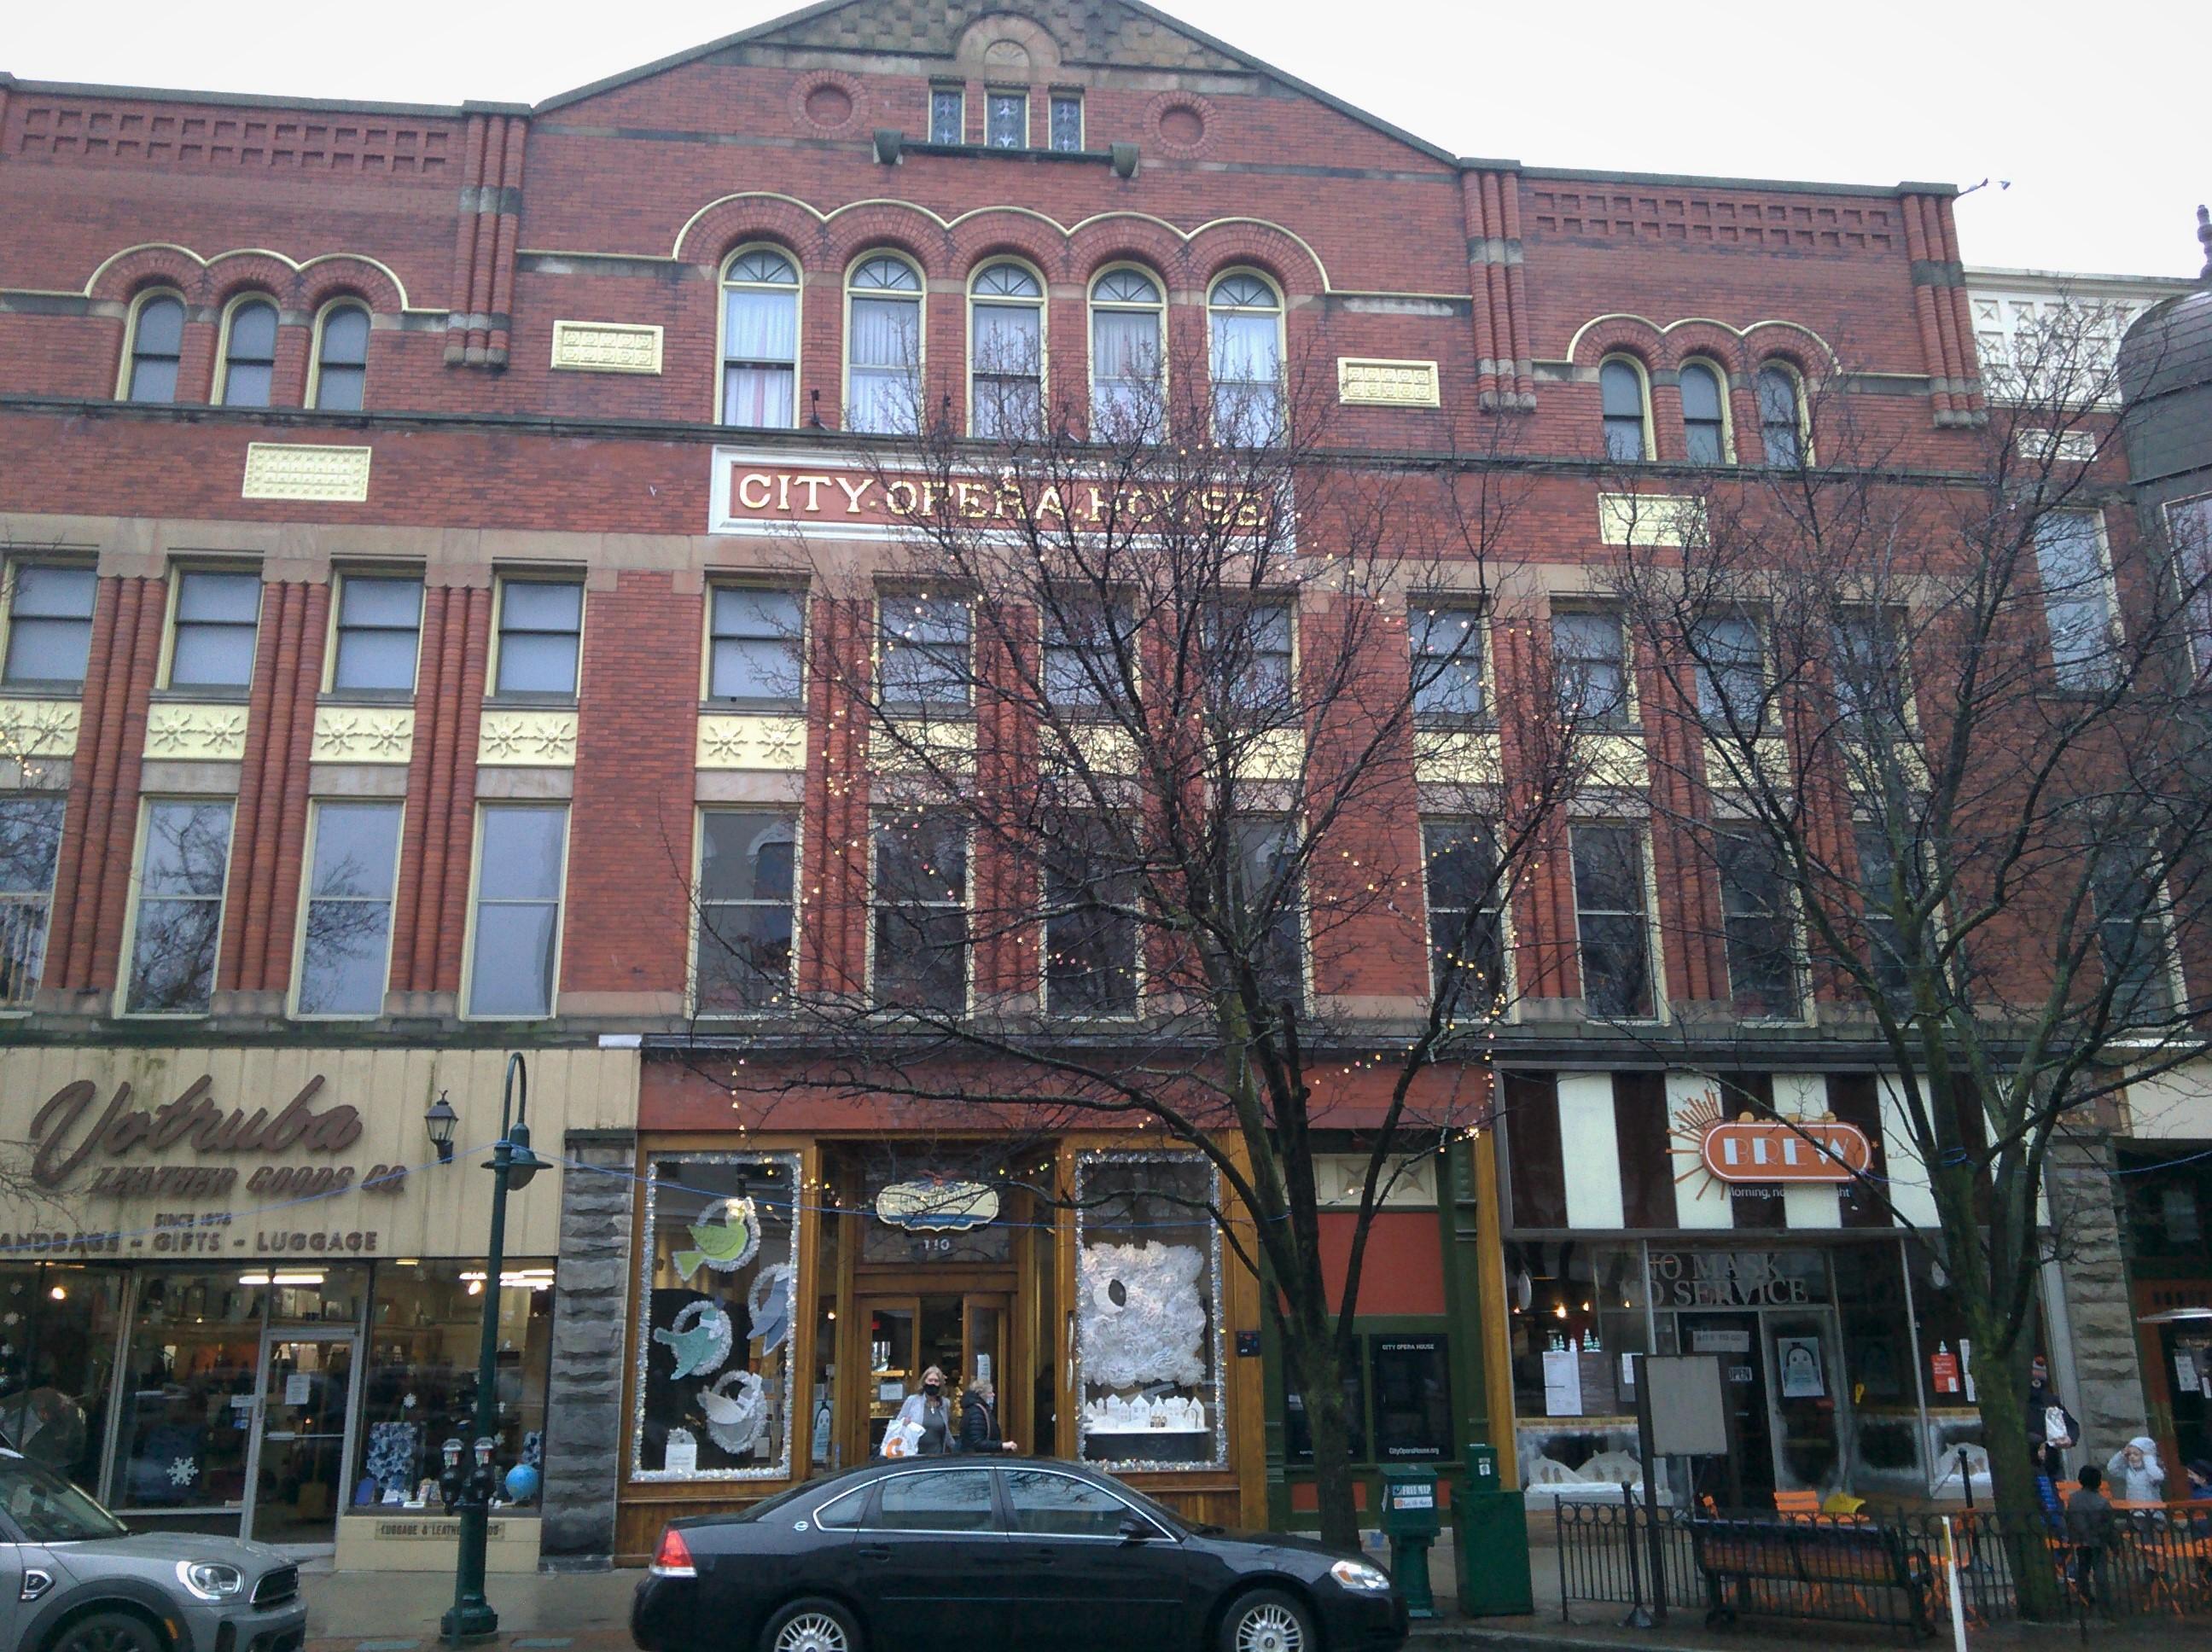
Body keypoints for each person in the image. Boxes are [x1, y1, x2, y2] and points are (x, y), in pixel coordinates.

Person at [2064, 1464, 2114, 1608]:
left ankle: (2084, 1595)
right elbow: (2109, 1526)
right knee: (2100, 1570)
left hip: (2080, 1540)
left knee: (2083, 1568)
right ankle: (2104, 1600)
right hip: (2097, 1540)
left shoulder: (2073, 1499)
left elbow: (2070, 1520)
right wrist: (2114, 1545)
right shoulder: (2102, 1502)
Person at [2027, 1355, 2078, 1480]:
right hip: (2028, 1464)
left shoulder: (2051, 1401)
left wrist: (2069, 1438)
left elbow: (2071, 1425)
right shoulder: (2019, 1403)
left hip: (2051, 1465)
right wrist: (2037, 1443)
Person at [893, 1364, 955, 1457]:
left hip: (936, 1456)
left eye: (936, 1381)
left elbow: (946, 1431)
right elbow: (898, 1424)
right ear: (924, 1382)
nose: (932, 1383)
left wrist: (955, 1447)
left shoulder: (944, 1404)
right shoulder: (912, 1401)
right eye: (930, 1380)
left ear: (940, 1384)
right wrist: (904, 1424)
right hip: (913, 1455)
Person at [960, 1375, 1016, 1454]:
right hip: (978, 1460)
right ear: (982, 1394)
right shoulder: (977, 1412)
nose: (993, 1395)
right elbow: (978, 1443)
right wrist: (1002, 1445)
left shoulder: (975, 1409)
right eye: (990, 1393)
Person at [2105, 1436, 2167, 1504]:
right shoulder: (2128, 1471)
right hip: (2134, 1510)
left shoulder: (2151, 1471)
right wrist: (2122, 1454)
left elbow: (2157, 1477)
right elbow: (2112, 1468)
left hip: (2153, 1510)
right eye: (2129, 1454)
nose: (2132, 1456)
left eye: (2136, 1454)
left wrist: (2148, 1458)